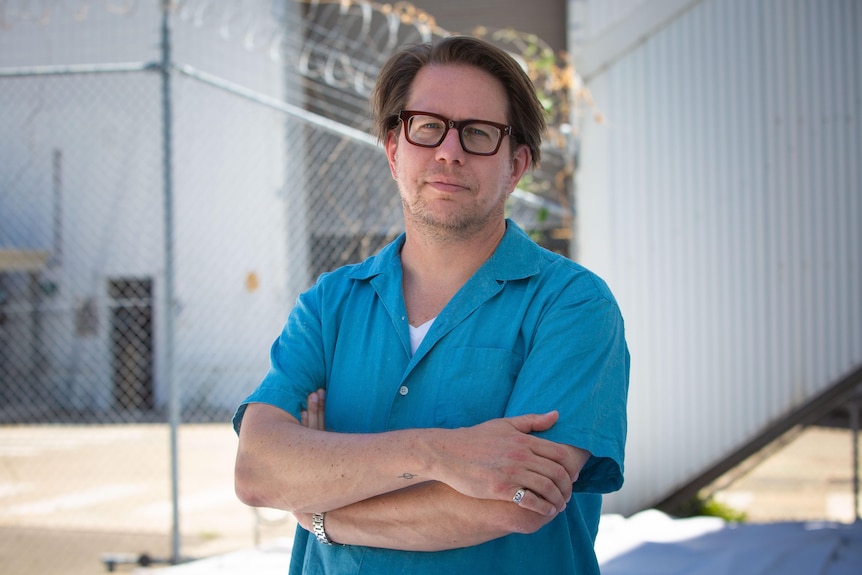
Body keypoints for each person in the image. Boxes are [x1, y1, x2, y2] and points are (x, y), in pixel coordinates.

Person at [233, 35, 629, 574]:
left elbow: (514, 503)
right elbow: (258, 470)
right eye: (427, 126)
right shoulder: (329, 305)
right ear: (395, 150)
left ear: (516, 165)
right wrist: (438, 455)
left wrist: (325, 509)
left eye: (478, 133)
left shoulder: (572, 305)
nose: (449, 150)